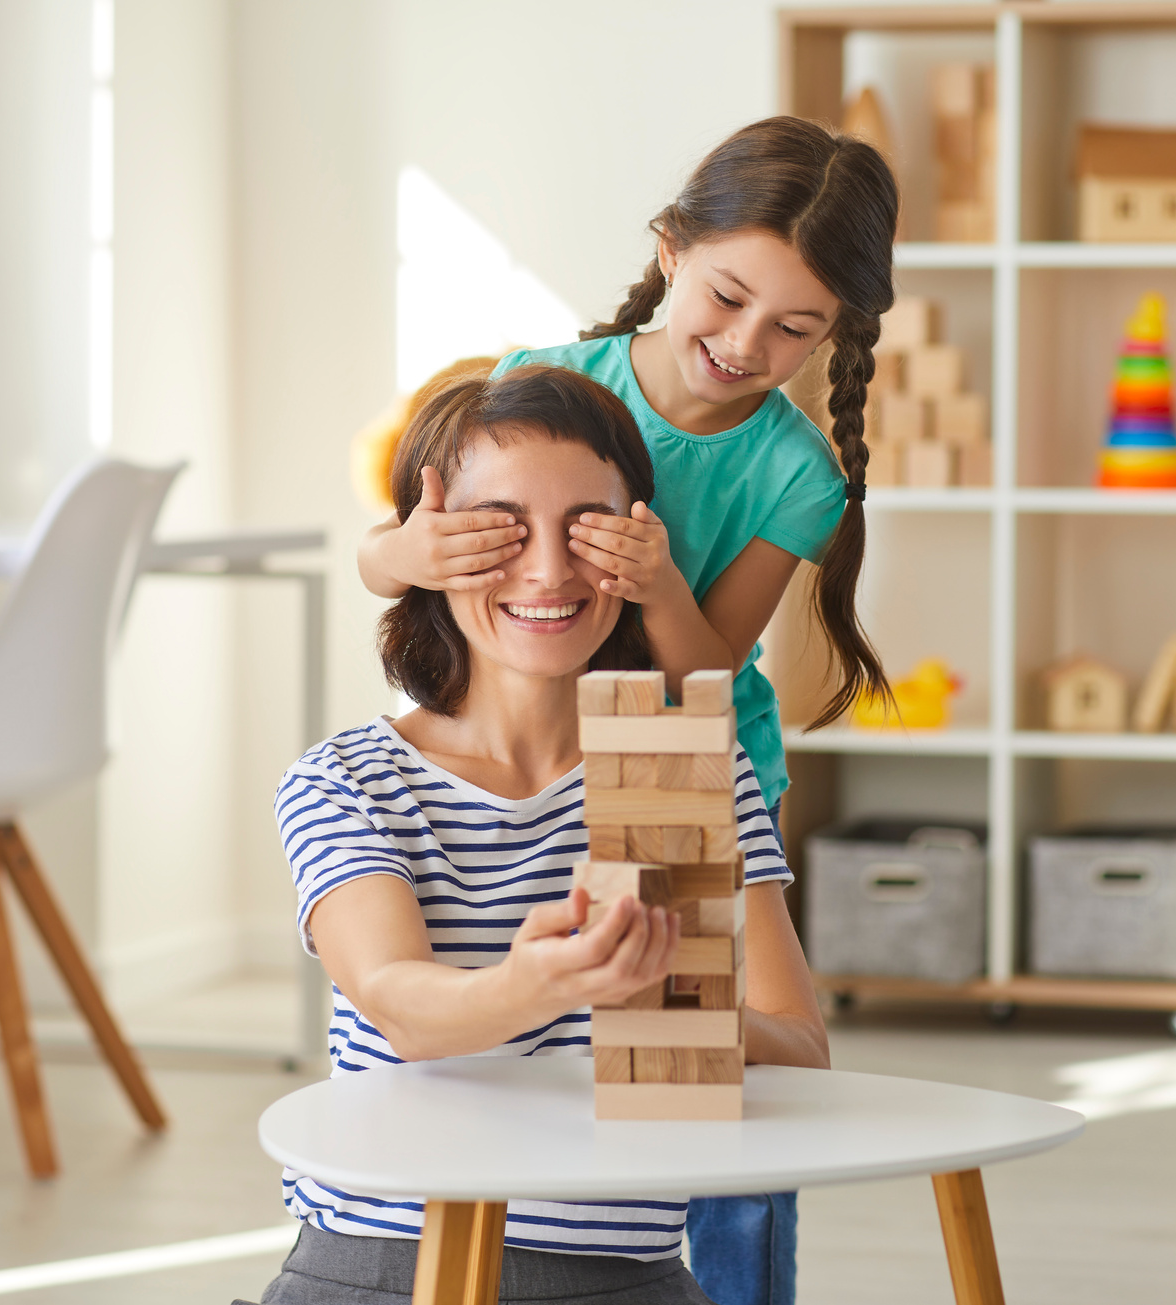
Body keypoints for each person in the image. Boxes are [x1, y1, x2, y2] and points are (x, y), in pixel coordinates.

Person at [356, 121, 899, 1301]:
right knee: (567, 1038)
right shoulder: (549, 382)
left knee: (709, 1066)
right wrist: (402, 544)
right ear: (669, 252)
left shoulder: (797, 472)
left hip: (688, 758)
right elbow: (386, 564)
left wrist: (655, 582)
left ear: (833, 336)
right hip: (539, 745)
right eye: (725, 297)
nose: (746, 344)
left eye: (795, 327)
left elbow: (706, 674)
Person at [255, 365, 827, 1305]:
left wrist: (668, 1014)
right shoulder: (352, 778)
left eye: (587, 530)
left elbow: (801, 1044)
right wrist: (538, 985)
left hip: (625, 1277)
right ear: (430, 548)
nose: (550, 571)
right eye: (502, 530)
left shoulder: (675, 769)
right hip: (383, 1270)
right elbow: (400, 1003)